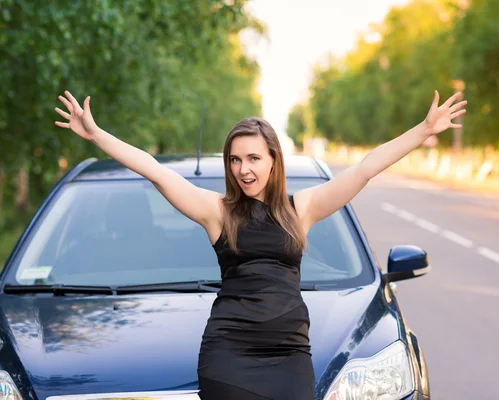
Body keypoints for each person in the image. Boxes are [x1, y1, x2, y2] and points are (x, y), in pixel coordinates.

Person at [54, 90, 466, 400]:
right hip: (228, 353)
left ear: (273, 160)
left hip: (289, 356)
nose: (243, 169)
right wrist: (96, 134)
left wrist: (424, 130)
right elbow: (156, 172)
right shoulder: (216, 211)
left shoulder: (301, 209)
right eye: (234, 160)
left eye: (253, 158)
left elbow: (365, 168)